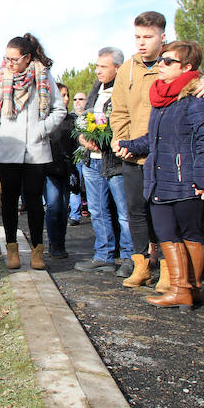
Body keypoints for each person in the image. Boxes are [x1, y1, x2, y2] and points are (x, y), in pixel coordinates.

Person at [111, 11, 204, 286]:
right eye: (137, 37)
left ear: (162, 37)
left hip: (168, 155)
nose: (141, 42)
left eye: (148, 37)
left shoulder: (174, 62)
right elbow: (118, 110)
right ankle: (141, 265)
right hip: (134, 152)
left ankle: (171, 273)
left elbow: (197, 77)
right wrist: (121, 140)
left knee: (169, 217)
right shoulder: (127, 68)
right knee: (136, 212)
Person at [0, 34, 66, 270]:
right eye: (6, 58)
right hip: (7, 151)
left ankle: (37, 251)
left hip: (35, 151)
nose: (9, 63)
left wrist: (43, 129)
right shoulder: (0, 78)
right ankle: (12, 249)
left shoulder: (43, 76)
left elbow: (59, 109)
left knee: (35, 201)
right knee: (9, 201)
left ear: (27, 58)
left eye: (14, 59)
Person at [74, 48, 133, 274]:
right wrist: (83, 138)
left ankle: (129, 258)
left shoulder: (126, 89)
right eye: (97, 66)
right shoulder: (96, 89)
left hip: (115, 161)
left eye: (103, 67)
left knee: (124, 213)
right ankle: (104, 256)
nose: (98, 71)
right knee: (97, 210)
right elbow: (85, 119)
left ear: (118, 68)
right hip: (92, 161)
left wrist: (107, 141)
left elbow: (126, 124)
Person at [44, 83, 78, 258]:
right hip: (49, 169)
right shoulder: (46, 119)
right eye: (62, 95)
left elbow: (75, 146)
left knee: (64, 208)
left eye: (67, 95)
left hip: (66, 169)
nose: (66, 99)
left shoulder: (71, 120)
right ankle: (53, 244)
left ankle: (60, 244)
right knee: (53, 206)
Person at [69, 91, 88, 225]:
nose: (77, 102)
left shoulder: (91, 116)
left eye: (81, 99)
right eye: (75, 99)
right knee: (74, 186)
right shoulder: (69, 118)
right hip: (75, 157)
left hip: (90, 155)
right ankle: (74, 216)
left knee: (91, 187)